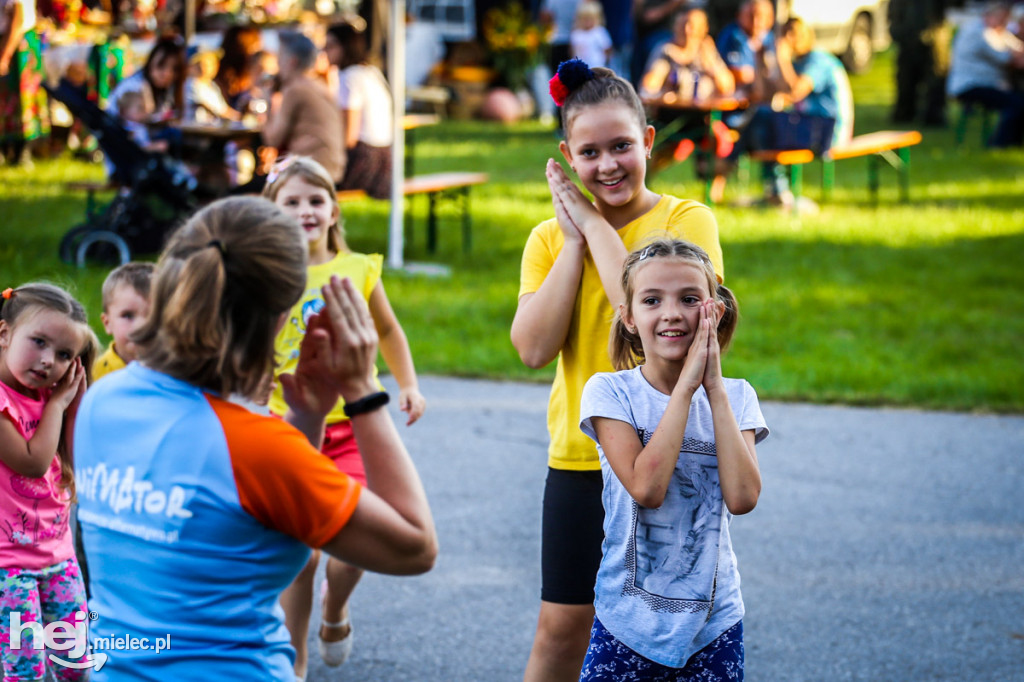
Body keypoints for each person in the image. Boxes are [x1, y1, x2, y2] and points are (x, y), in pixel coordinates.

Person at [73, 196, 437, 681]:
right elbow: (414, 547)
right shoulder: (253, 446)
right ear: (285, 314)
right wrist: (363, 391)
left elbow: (243, 520)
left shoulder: (104, 399)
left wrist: (307, 417)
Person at [511, 58, 724, 682]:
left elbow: (642, 316)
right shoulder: (549, 239)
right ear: (566, 156)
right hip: (580, 459)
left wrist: (595, 226)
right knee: (561, 628)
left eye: (622, 146)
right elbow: (531, 348)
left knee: (667, 632)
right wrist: (574, 240)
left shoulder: (686, 222)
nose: (607, 165)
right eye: (590, 152)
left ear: (649, 141)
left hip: (668, 453)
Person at [263, 156, 427, 679]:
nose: (306, 210)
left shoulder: (359, 268)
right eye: (291, 201)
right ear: (272, 213)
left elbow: (389, 331)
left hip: (354, 424)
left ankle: (335, 608)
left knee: (358, 539)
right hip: (288, 425)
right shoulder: (266, 276)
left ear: (334, 209)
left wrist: (409, 385)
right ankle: (296, 658)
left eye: (315, 200)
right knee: (300, 553)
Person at [578, 238, 766, 679]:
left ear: (713, 311)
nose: (671, 313)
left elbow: (743, 498)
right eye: (651, 300)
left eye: (689, 299)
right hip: (627, 623)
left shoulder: (737, 396)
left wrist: (714, 388)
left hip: (713, 626)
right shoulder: (611, 392)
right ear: (628, 317)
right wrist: (686, 388)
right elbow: (648, 489)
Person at [0, 283, 97, 681]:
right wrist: (58, 404)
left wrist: (74, 405)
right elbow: (32, 462)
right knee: (27, 671)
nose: (47, 361)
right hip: (9, 568)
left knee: (75, 666)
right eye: (38, 342)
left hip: (60, 558)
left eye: (63, 355)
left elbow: (74, 453)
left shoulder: (46, 396)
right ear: (4, 333)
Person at [730, 17, 854, 208]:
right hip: (812, 125)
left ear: (808, 36)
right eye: (785, 33)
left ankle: (775, 188)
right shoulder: (800, 63)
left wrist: (782, 58)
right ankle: (773, 188)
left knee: (766, 121)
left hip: (830, 131)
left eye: (795, 33)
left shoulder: (818, 60)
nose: (789, 39)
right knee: (763, 116)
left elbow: (796, 92)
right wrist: (760, 60)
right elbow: (768, 94)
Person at [639, 7, 735, 195]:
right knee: (671, 146)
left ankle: (713, 192)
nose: (688, 30)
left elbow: (727, 87)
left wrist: (712, 67)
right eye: (683, 24)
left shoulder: (707, 53)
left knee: (722, 140)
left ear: (704, 28)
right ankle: (643, 183)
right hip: (671, 116)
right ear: (674, 26)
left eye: (693, 25)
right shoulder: (666, 51)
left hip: (703, 116)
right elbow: (649, 85)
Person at [258, 31, 345, 191]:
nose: (277, 65)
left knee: (238, 193)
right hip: (331, 169)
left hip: (310, 172)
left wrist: (267, 101)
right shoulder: (319, 85)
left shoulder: (295, 89)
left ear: (292, 62)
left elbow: (272, 140)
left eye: (279, 59)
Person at [325, 21, 393, 200]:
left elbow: (349, 136)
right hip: (385, 157)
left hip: (364, 161)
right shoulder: (370, 71)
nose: (325, 52)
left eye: (330, 46)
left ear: (345, 47)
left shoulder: (350, 78)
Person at [946, 1, 1024, 147]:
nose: (1003, 23)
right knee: (1016, 103)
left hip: (987, 83)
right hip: (971, 85)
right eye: (1001, 19)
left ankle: (1013, 142)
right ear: (988, 15)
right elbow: (1005, 57)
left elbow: (1016, 48)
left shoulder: (994, 30)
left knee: (1018, 99)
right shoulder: (978, 32)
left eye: (1005, 20)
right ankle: (999, 144)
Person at [888, 0, 953, 127]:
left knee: (936, 77)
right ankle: (905, 112)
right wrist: (896, 30)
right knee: (906, 79)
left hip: (934, 38)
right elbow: (894, 10)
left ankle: (934, 115)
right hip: (907, 35)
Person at [0, 0, 49, 166]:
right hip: (10, 41)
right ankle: (8, 150)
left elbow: (18, 17)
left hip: (16, 43)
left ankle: (21, 152)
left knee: (21, 99)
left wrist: (5, 55)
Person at [92, 262, 154, 382]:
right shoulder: (95, 374)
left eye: (153, 315)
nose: (141, 326)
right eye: (128, 315)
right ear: (107, 323)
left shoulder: (179, 372)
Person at [106, 34, 186, 122]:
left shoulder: (167, 89)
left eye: (174, 69)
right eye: (161, 66)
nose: (167, 74)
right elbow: (134, 128)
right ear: (150, 63)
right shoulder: (135, 87)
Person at [716, 0, 778, 106]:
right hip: (732, 105)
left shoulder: (773, 41)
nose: (755, 21)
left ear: (770, 19)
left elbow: (777, 78)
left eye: (760, 16)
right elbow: (727, 72)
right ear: (739, 15)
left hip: (764, 106)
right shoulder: (730, 36)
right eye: (750, 15)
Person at [571, 2, 613, 70]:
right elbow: (574, 51)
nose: (588, 22)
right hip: (581, 67)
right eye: (585, 19)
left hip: (597, 66)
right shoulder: (576, 34)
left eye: (590, 19)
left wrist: (605, 62)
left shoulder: (599, 32)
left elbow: (607, 49)